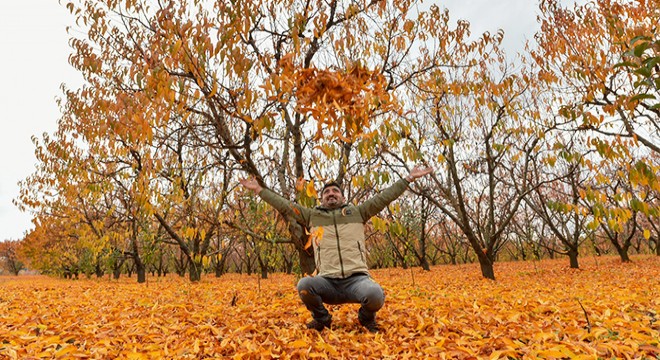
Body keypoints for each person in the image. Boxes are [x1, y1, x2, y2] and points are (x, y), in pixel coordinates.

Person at [239, 166, 433, 333]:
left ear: (342, 196)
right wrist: (259, 190)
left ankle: (366, 318)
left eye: (335, 191)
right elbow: (286, 206)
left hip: (356, 280)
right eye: (327, 192)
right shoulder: (311, 215)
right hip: (327, 282)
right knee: (304, 285)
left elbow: (383, 198)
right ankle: (322, 319)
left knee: (375, 294)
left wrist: (408, 178)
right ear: (322, 198)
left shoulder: (358, 212)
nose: (331, 194)